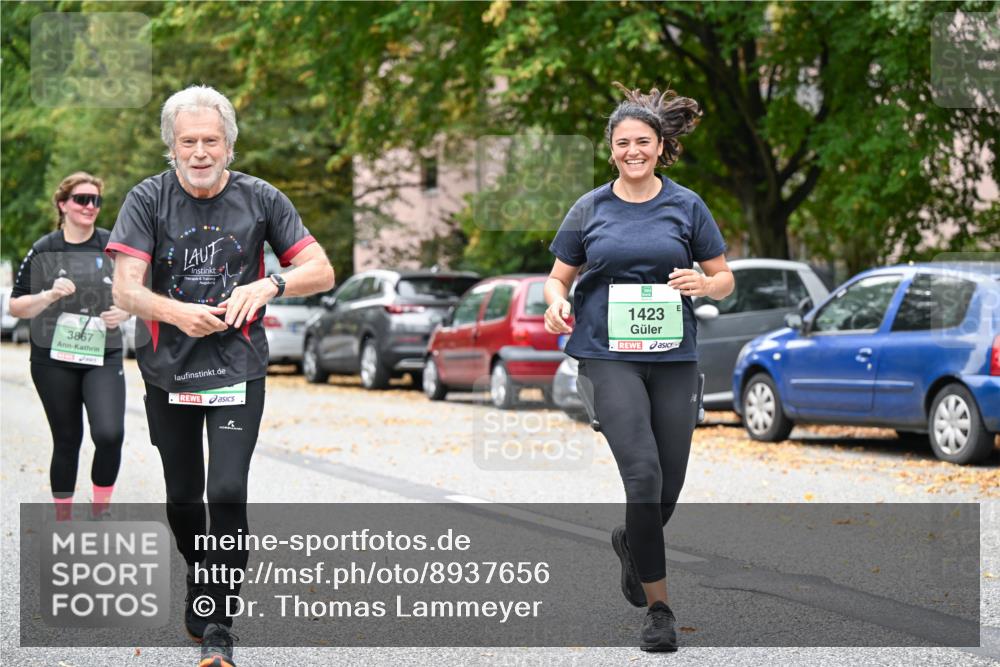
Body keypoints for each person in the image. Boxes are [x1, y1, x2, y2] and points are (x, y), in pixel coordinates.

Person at [107, 85, 334, 667]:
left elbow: (321, 269)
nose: (201, 151)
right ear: (172, 147)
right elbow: (125, 290)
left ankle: (218, 623)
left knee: (227, 490)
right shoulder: (147, 199)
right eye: (189, 141)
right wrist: (177, 312)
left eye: (212, 140)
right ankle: (197, 572)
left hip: (238, 367)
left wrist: (269, 284)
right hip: (168, 370)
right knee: (184, 497)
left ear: (230, 145)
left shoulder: (261, 199)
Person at [544, 82, 734, 652]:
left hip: (674, 358)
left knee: (667, 488)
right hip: (607, 356)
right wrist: (556, 301)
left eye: (643, 142)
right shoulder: (589, 208)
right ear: (611, 149)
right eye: (623, 142)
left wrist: (706, 284)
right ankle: (660, 610)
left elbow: (724, 277)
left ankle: (632, 542)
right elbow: (559, 276)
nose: (633, 151)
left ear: (659, 146)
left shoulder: (686, 205)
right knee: (644, 476)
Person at [10, 172, 130, 521]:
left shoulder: (112, 246)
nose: (90, 206)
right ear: (63, 204)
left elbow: (135, 293)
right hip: (53, 359)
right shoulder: (46, 249)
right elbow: (16, 306)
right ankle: (63, 516)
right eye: (82, 199)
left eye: (96, 200)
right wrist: (48, 295)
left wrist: (125, 310)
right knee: (67, 438)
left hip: (103, 353)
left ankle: (100, 507)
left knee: (109, 433)